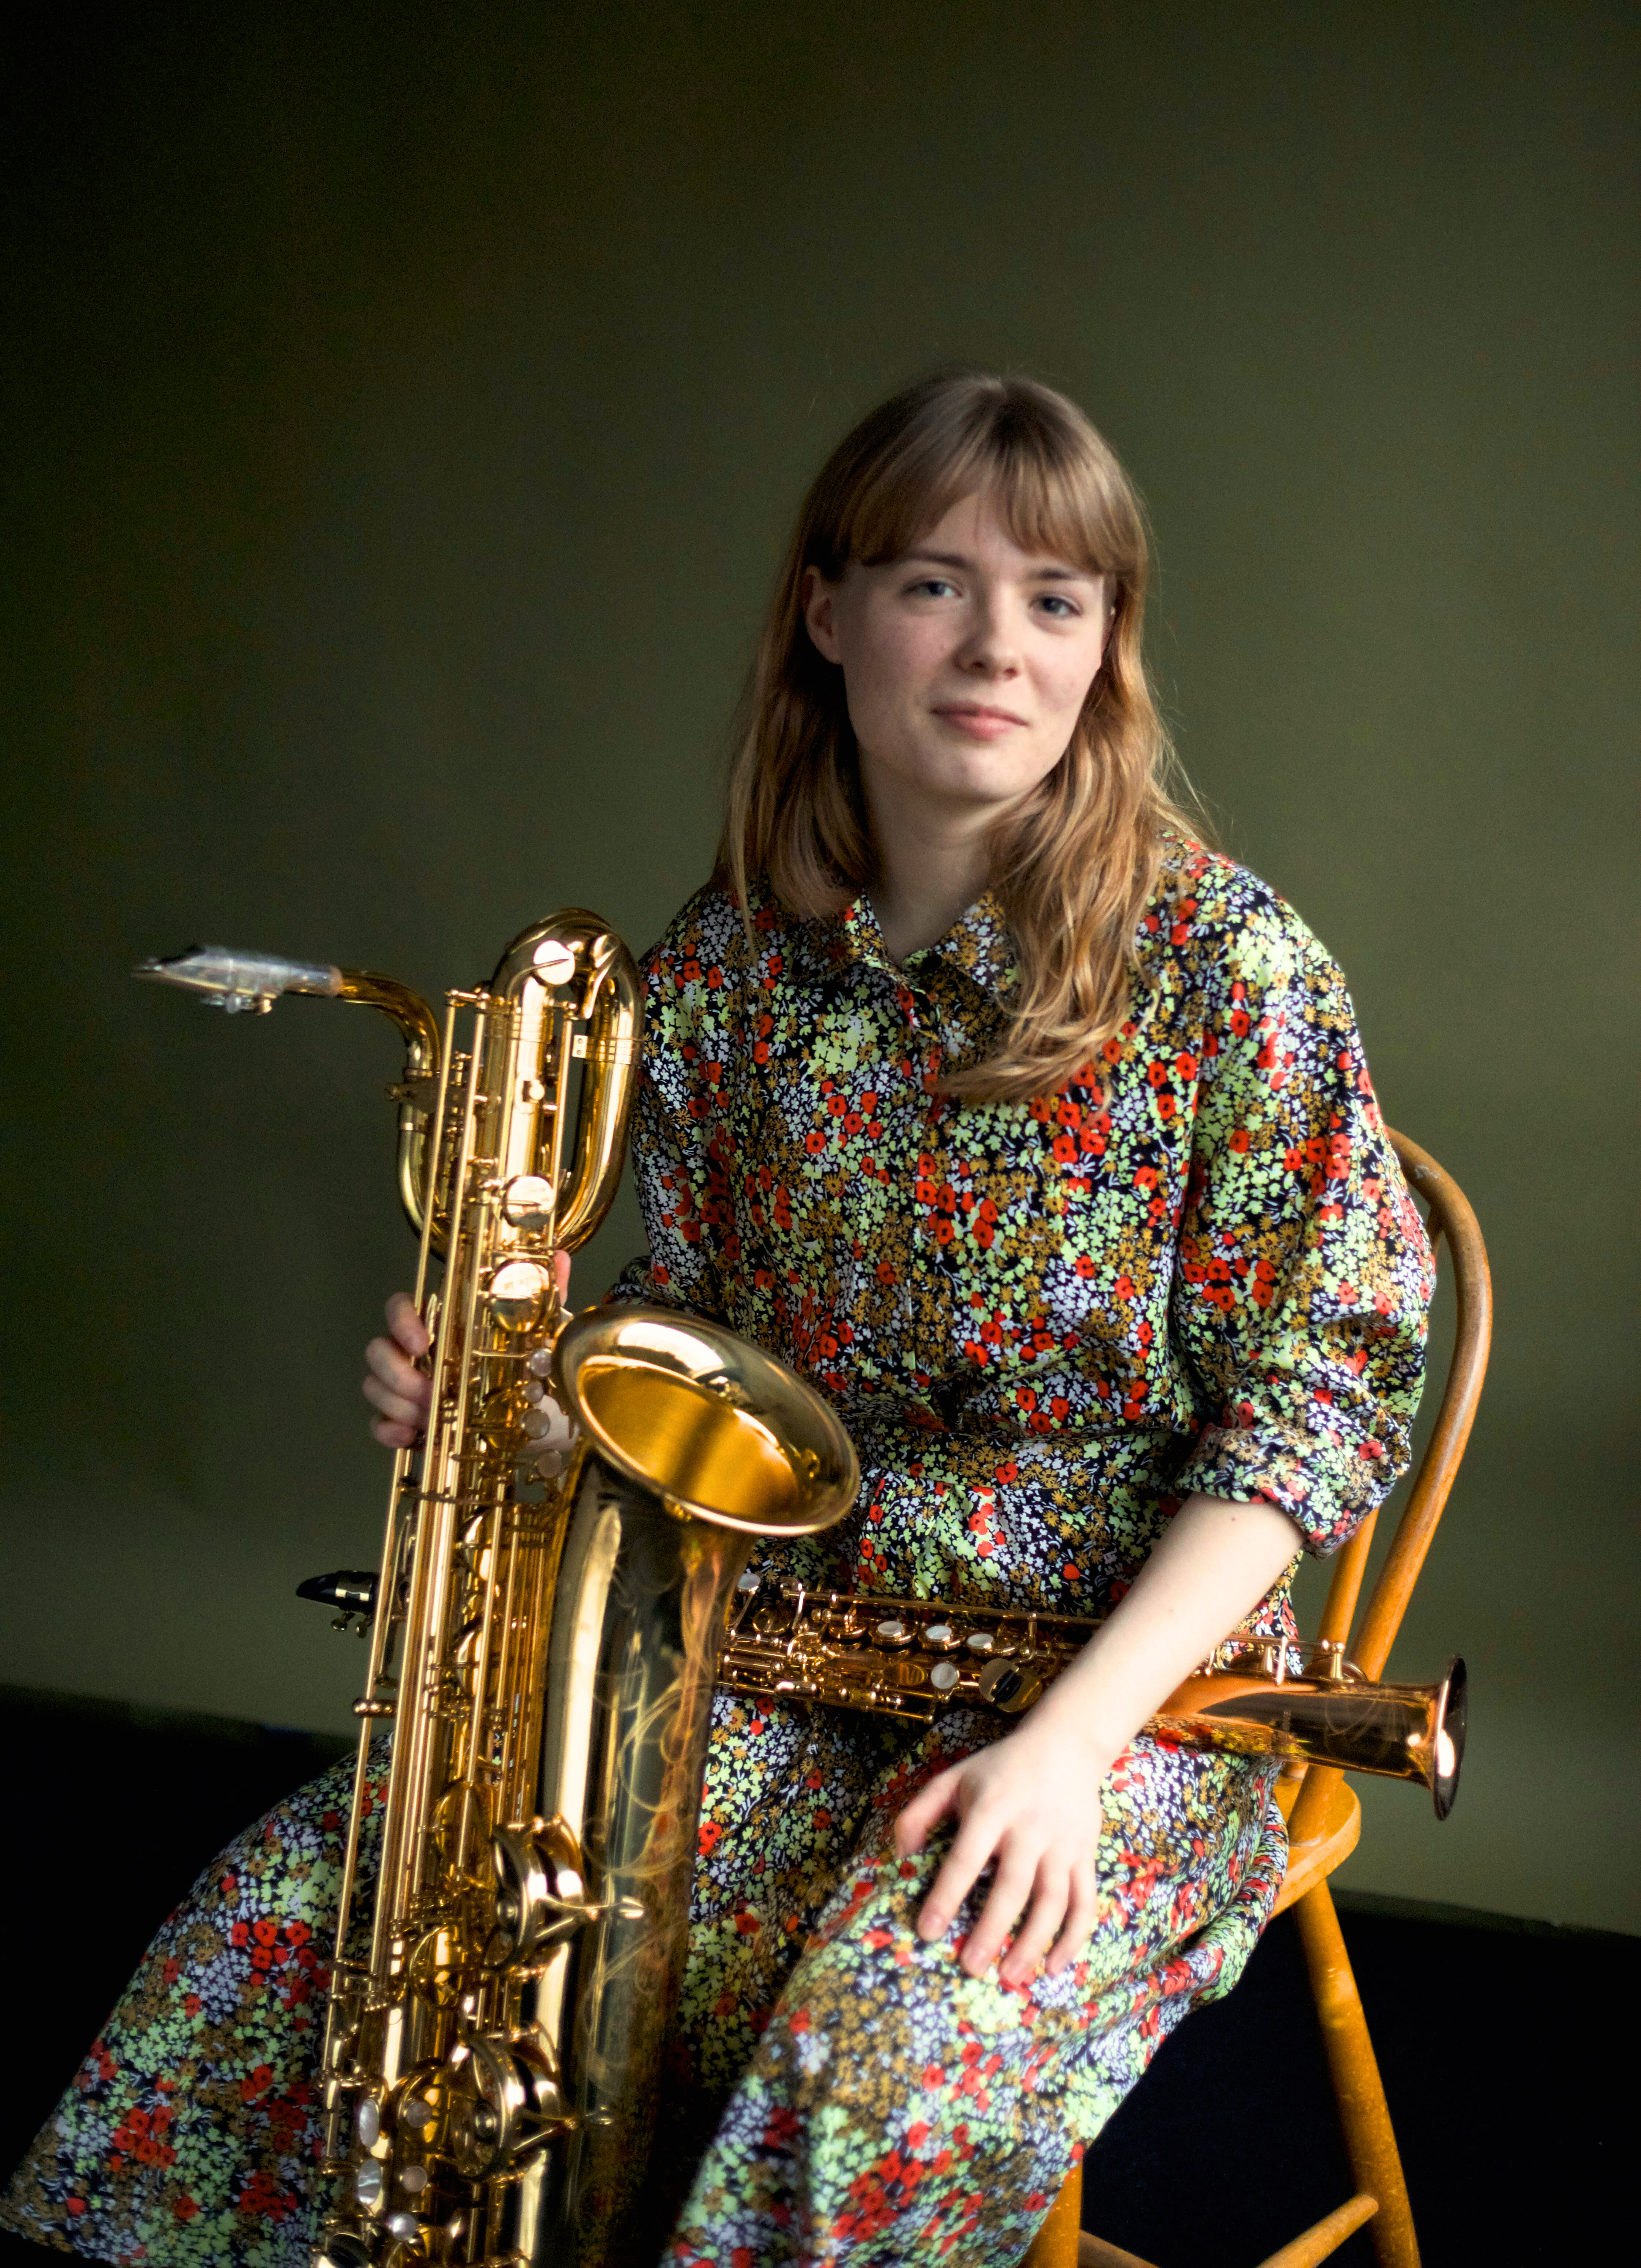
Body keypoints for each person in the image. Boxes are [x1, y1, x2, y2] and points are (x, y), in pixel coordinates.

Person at [3, 370, 1433, 2267]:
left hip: (1131, 1694)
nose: (997, 646)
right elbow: (698, 1371)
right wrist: (521, 1410)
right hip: (772, 1644)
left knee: (867, 2076)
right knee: (310, 1918)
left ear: (1108, 644)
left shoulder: (1229, 969)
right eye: (934, 584)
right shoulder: (725, 973)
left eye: (1057, 598)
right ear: (827, 613)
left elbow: (1323, 1406)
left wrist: (1068, 1752)